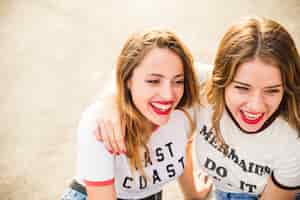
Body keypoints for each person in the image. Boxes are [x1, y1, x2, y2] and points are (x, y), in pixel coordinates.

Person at [95, 17, 300, 200]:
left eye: (272, 91)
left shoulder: (292, 138)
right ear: (221, 79)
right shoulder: (204, 84)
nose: (256, 105)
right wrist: (111, 101)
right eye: (242, 88)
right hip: (223, 190)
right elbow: (137, 64)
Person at [61, 29, 212, 200]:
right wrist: (111, 100)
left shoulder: (184, 109)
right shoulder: (103, 126)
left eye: (178, 81)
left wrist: (193, 194)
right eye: (153, 81)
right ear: (127, 81)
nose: (168, 95)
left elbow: (181, 146)